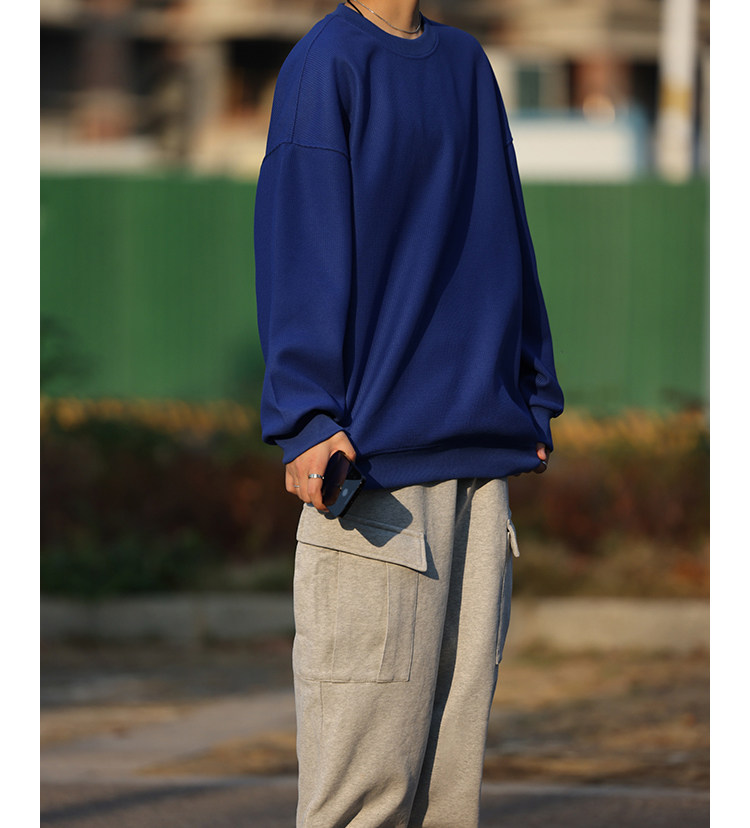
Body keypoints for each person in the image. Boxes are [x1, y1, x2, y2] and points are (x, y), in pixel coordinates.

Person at [253, 2, 564, 825]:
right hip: (374, 477)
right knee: (363, 797)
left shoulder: (466, 66)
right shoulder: (328, 65)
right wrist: (307, 419)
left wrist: (532, 391)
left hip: (478, 470)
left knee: (448, 796)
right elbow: (300, 241)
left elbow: (505, 233)